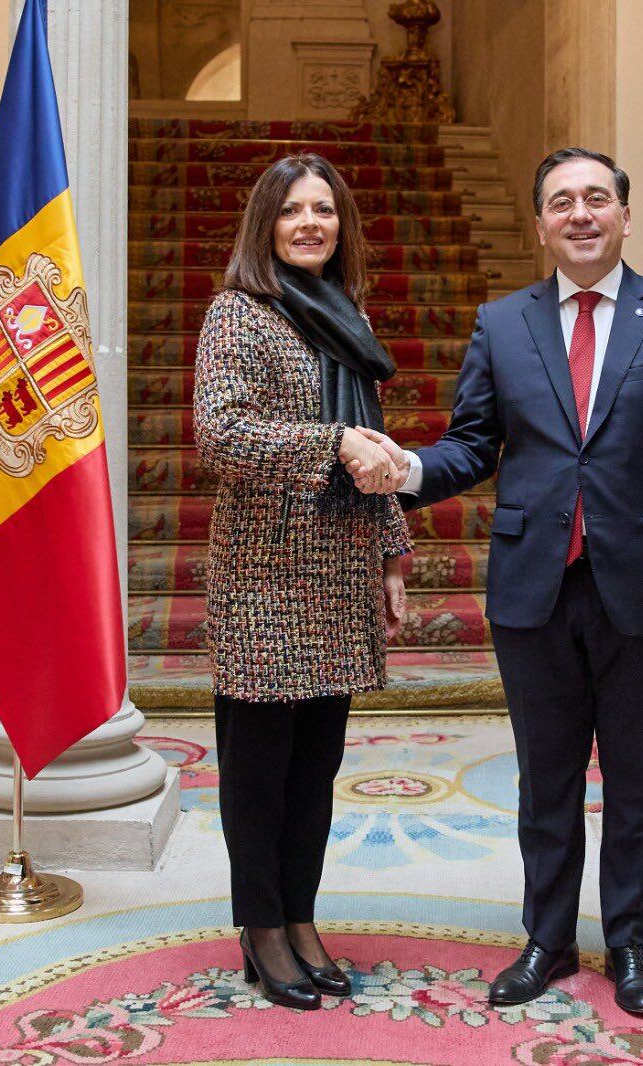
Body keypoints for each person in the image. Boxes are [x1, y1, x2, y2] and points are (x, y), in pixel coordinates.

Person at [366, 147, 643, 1016]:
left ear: (623, 215)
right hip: (534, 588)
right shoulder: (503, 324)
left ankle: (630, 944)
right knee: (546, 781)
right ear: (539, 224)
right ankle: (545, 939)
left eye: (597, 199)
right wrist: (410, 470)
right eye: (562, 202)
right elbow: (472, 443)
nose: (581, 214)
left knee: (640, 779)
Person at [193, 153, 412, 1010]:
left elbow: (374, 439)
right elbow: (220, 434)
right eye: (293, 212)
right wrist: (330, 446)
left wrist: (392, 550)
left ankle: (302, 914)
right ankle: (262, 925)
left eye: (324, 209)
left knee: (317, 764)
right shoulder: (238, 315)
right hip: (263, 571)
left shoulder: (345, 315)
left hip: (340, 567)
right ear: (266, 225)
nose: (310, 223)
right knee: (260, 768)